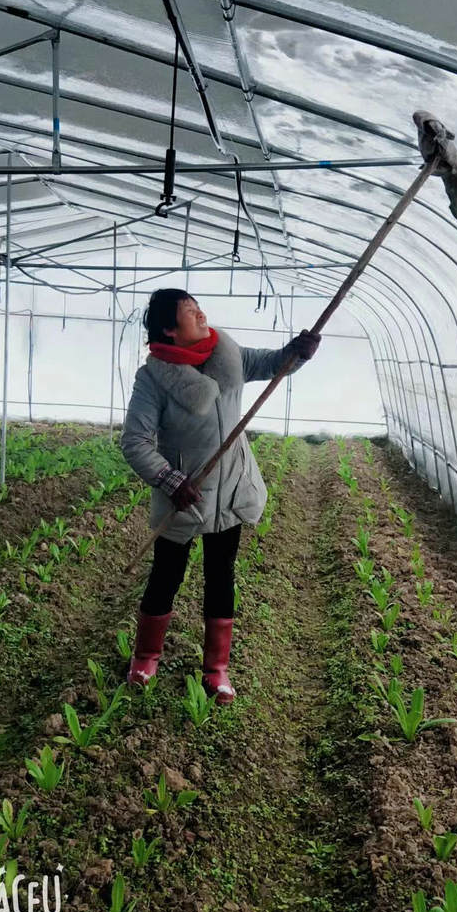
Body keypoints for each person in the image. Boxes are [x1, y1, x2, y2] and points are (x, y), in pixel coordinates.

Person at [120, 288, 320, 704]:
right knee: (166, 576)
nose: (201, 315)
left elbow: (270, 364)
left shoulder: (225, 352)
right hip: (184, 496)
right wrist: (170, 480)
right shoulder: (154, 378)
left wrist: (296, 353)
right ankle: (145, 657)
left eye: (199, 308)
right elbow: (136, 442)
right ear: (169, 331)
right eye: (190, 313)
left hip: (230, 489)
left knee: (221, 575)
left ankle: (216, 669)